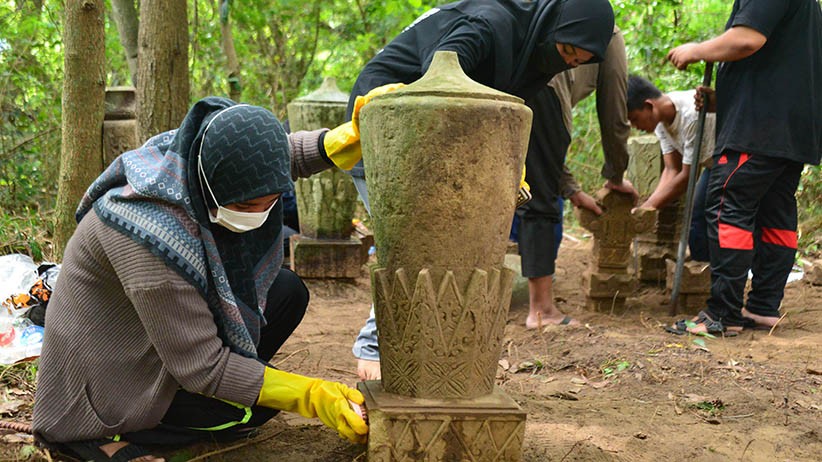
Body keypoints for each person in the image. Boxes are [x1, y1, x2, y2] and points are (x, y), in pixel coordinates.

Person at [32, 97, 370, 461]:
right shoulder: (151, 239)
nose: (258, 215)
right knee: (249, 411)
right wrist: (311, 396)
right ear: (211, 185)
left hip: (150, 336)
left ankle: (217, 390)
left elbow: (271, 157)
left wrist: (337, 141)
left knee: (286, 291)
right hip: (104, 383)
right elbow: (203, 367)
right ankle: (97, 437)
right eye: (243, 207)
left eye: (269, 202)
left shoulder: (186, 157)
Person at [349, 0, 617, 379]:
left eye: (578, 61)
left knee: (446, 250)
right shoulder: (486, 27)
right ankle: (373, 349)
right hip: (386, 128)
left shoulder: (531, 52)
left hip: (436, 142)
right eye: (567, 52)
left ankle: (431, 354)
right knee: (414, 245)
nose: (569, 64)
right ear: (552, 27)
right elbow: (438, 84)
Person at [666, 0, 821, 335]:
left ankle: (722, 313)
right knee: (775, 215)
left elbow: (747, 39)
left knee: (727, 206)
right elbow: (781, 64)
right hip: (788, 129)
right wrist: (725, 99)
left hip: (757, 129)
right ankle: (763, 306)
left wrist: (697, 49)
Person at [517, 26, 639, 330]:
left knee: (513, 185)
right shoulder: (607, 32)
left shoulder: (541, 15)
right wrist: (615, 173)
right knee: (541, 200)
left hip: (508, 80)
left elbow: (545, 157)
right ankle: (541, 311)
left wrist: (572, 189)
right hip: (544, 89)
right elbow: (614, 105)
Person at [626, 75, 716, 262]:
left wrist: (649, 206)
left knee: (708, 216)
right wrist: (648, 207)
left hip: (736, 162)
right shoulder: (660, 121)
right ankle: (702, 275)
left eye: (635, 119)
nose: (635, 126)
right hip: (713, 165)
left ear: (649, 106)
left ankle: (711, 273)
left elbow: (687, 177)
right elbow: (671, 170)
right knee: (697, 219)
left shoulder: (691, 115)